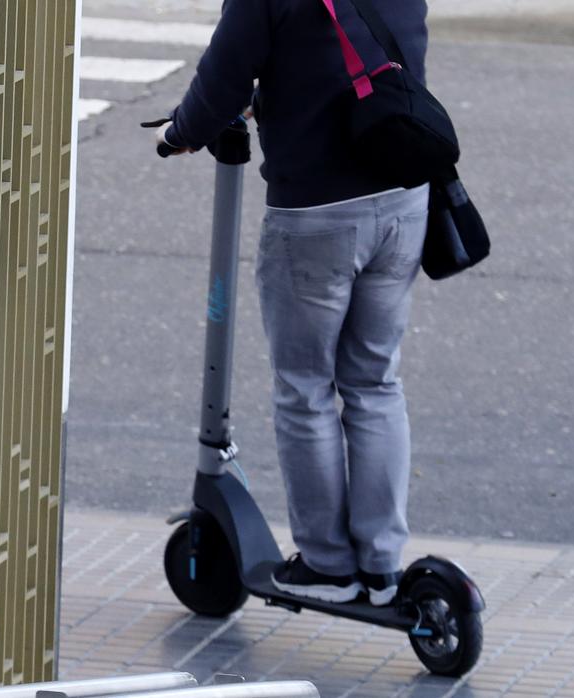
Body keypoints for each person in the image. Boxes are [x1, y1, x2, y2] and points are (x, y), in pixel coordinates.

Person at [155, 0, 431, 607]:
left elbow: (222, 78)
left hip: (317, 213)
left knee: (304, 389)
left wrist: (180, 134)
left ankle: (330, 566)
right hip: (405, 196)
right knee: (375, 382)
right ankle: (381, 567)